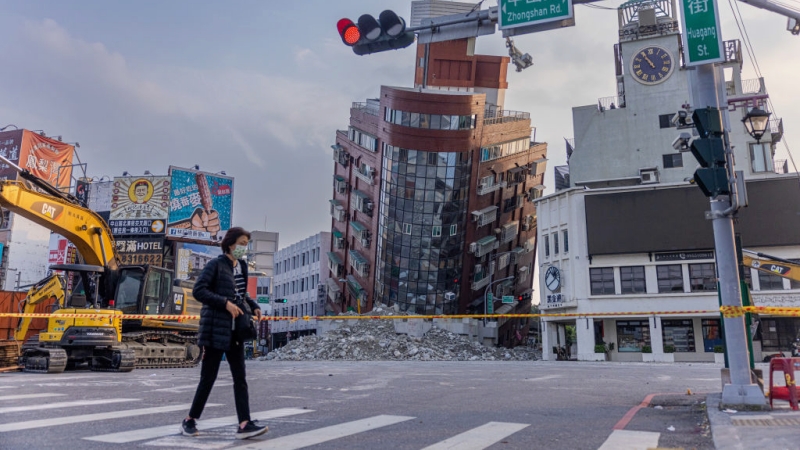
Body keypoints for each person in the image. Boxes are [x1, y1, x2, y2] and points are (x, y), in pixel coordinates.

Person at [181, 227, 267, 440]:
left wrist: (253, 305)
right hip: (215, 330)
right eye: (241, 244)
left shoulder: (242, 266)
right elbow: (199, 290)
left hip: (235, 331)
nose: (243, 248)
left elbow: (240, 294)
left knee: (240, 377)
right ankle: (189, 420)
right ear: (230, 244)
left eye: (246, 245)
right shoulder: (215, 265)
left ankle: (244, 423)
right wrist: (224, 304)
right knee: (208, 378)